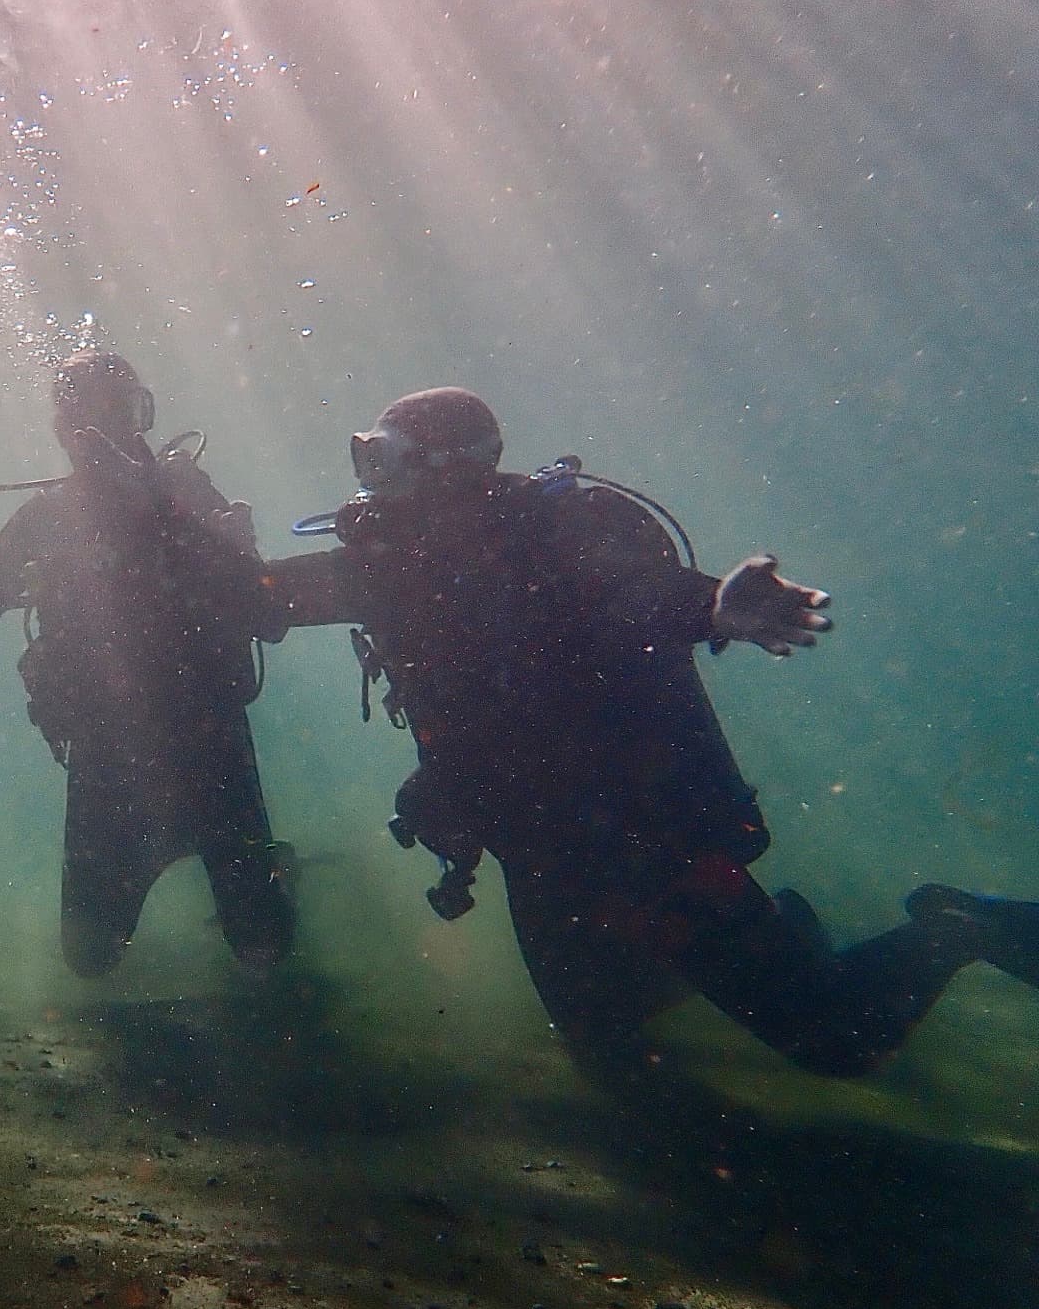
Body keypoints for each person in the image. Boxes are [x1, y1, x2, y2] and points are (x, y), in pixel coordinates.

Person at [263, 385, 1039, 1082]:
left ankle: (956, 930)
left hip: (644, 840)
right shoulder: (386, 564)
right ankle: (779, 943)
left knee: (836, 1040)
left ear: (448, 467)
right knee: (596, 1027)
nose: (371, 482)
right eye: (367, 457)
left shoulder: (553, 537)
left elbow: (641, 593)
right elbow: (263, 596)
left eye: (387, 459)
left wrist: (716, 609)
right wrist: (197, 558)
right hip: (539, 846)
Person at [0, 348, 295, 977]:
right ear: (64, 431)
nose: (102, 433)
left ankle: (270, 881)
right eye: (87, 418)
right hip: (107, 752)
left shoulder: (182, 489)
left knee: (263, 946)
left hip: (209, 741)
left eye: (117, 413)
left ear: (139, 417)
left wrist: (157, 506)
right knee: (90, 957)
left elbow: (266, 613)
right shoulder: (50, 516)